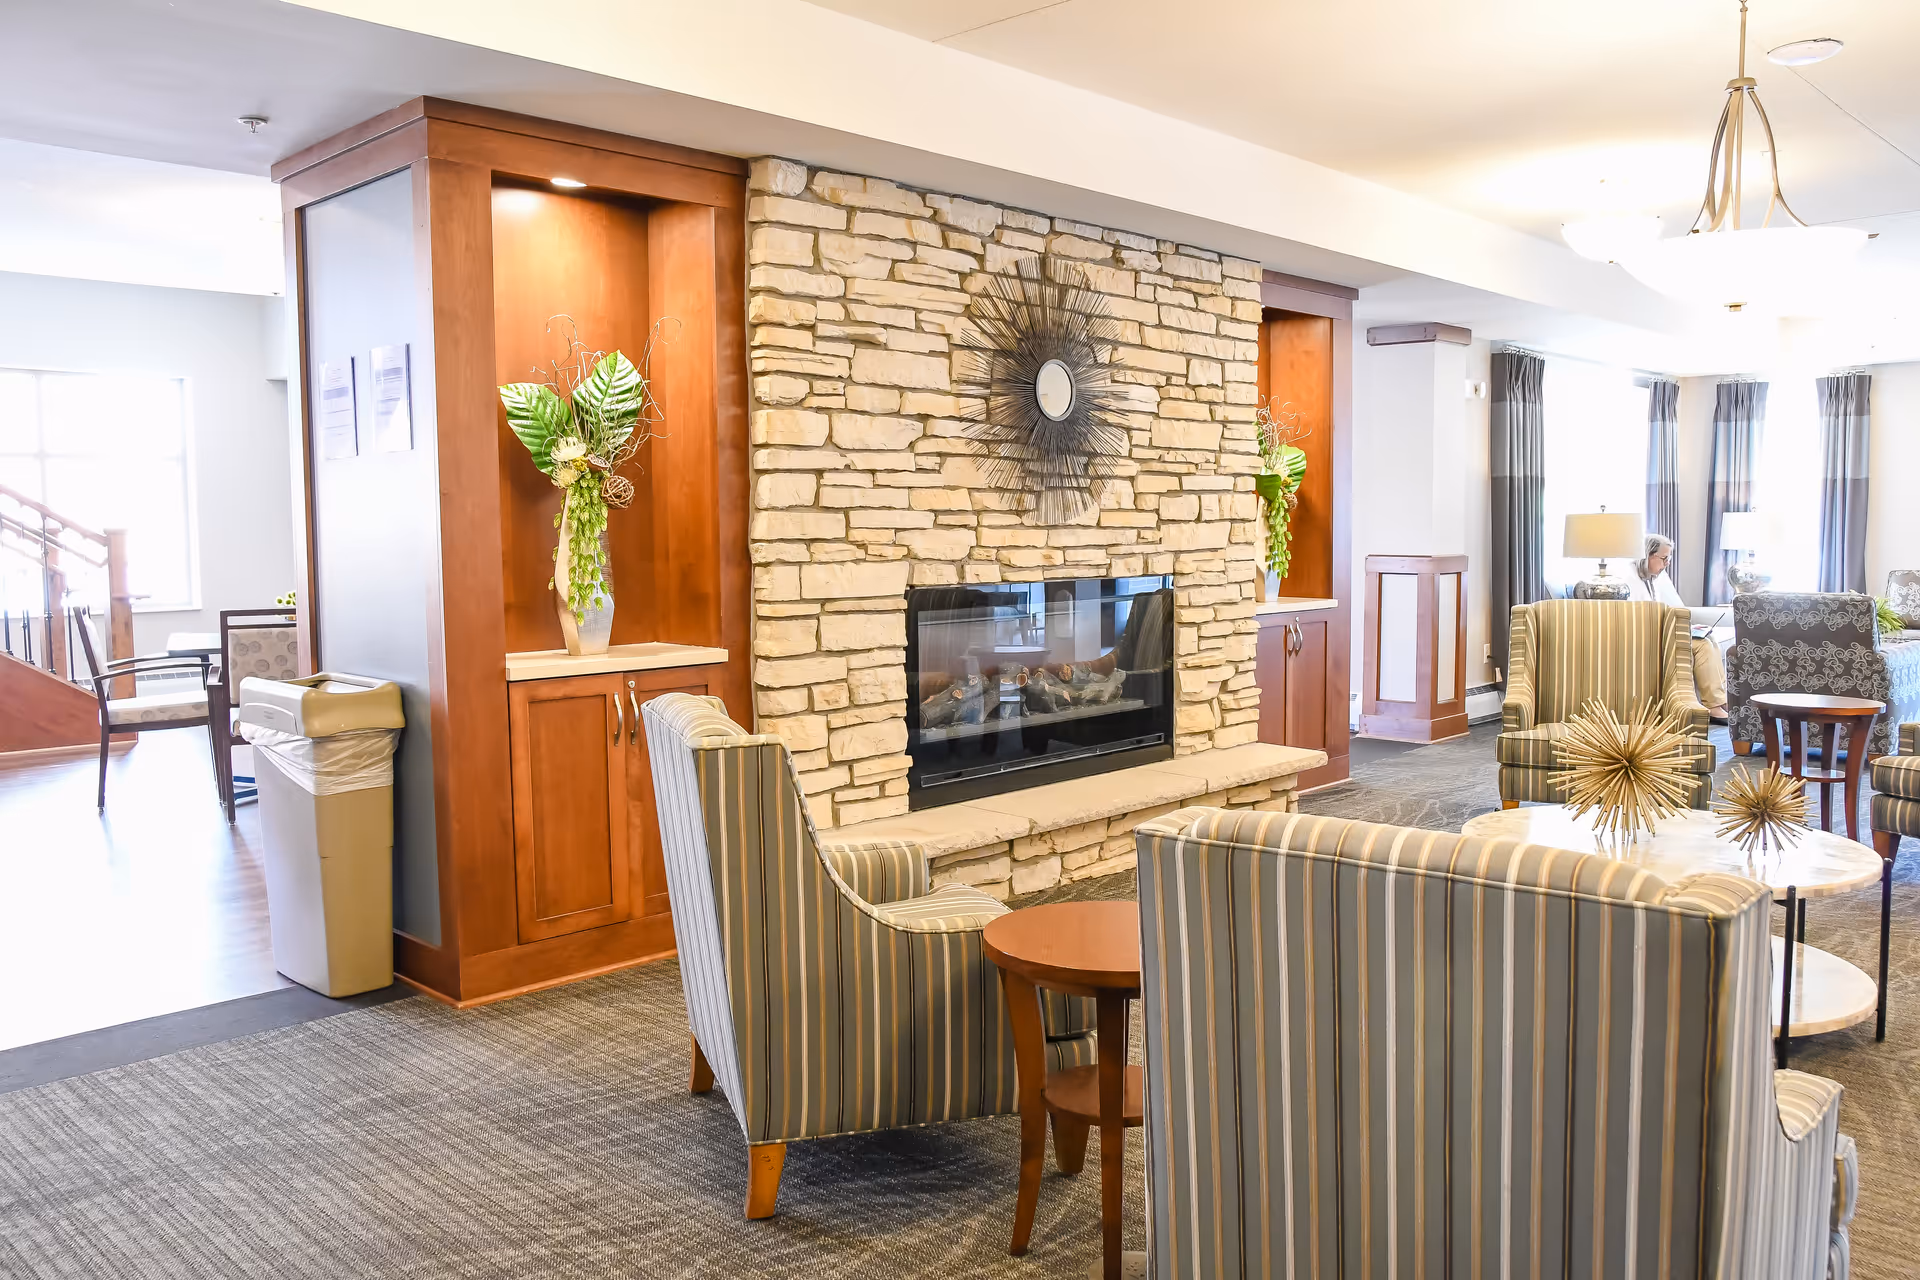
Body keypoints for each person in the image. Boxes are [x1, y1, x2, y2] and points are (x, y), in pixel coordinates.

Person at [1624, 533, 1728, 721]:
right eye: (1664, 558)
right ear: (1648, 555)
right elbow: (1639, 617)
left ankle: (1720, 701)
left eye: (1669, 558)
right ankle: (1712, 705)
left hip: (1663, 631)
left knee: (1709, 639)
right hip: (1649, 638)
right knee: (1702, 646)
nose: (1668, 563)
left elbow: (1670, 608)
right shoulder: (1629, 579)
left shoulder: (1654, 577)